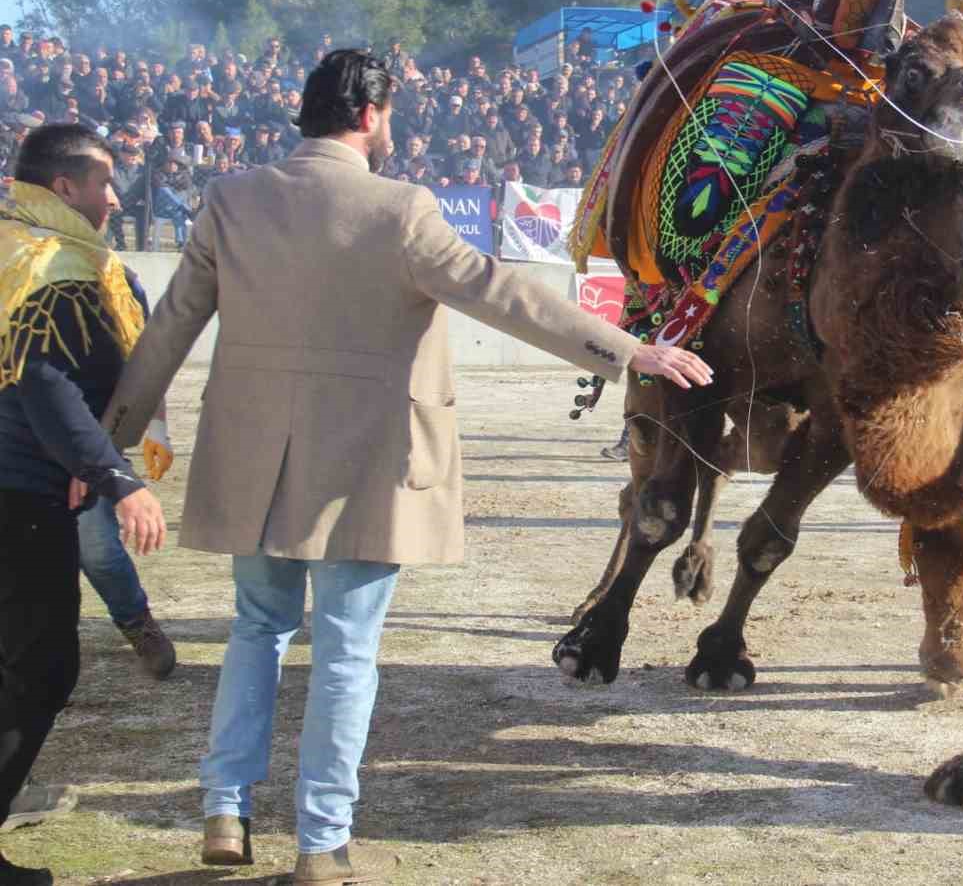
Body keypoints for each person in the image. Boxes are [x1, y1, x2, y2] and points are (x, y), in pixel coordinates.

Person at [100, 50, 711, 884]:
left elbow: (168, 326)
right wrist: (629, 349)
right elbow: (498, 291)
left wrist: (108, 445)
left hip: (256, 464)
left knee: (256, 632)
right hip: (368, 466)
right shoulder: (401, 208)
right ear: (372, 115)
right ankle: (321, 841)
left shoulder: (231, 200)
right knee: (346, 653)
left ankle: (224, 809)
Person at [0, 124, 169, 885]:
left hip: (33, 479)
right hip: (19, 492)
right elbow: (45, 383)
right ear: (63, 188)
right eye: (103, 182)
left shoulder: (16, 245)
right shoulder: (55, 267)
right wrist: (115, 476)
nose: (114, 196)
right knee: (41, 668)